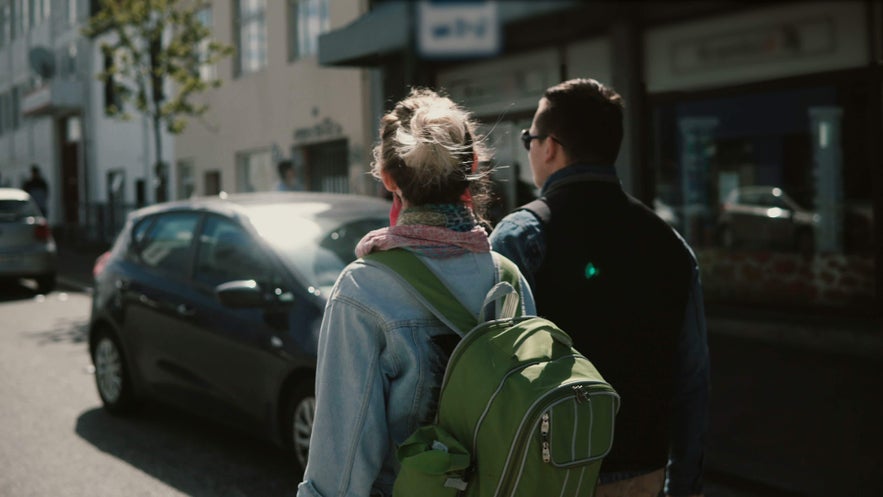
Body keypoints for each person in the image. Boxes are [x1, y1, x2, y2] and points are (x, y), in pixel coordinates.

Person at [296, 88, 536, 497]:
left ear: (388, 178)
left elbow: (342, 460)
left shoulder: (362, 288)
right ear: (473, 165)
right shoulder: (508, 280)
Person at [489, 78, 710, 497]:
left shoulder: (521, 236)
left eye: (528, 138)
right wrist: (682, 484)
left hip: (549, 474)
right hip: (643, 471)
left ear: (550, 146)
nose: (530, 148)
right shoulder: (671, 243)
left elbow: (495, 379)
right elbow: (692, 380)